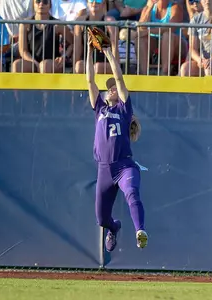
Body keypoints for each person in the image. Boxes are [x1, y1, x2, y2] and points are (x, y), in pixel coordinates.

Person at [85, 41, 148, 252]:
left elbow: (119, 78)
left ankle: (140, 231)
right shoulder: (99, 109)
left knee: (132, 192)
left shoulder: (123, 110)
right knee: (101, 219)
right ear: (104, 94)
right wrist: (89, 50)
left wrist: (108, 53)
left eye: (115, 87)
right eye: (109, 86)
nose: (113, 87)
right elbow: (89, 80)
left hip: (123, 166)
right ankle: (114, 227)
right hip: (104, 169)